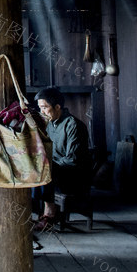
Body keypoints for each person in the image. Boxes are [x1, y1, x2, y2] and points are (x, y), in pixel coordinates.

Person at [33, 87, 91, 231]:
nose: (42, 112)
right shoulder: (50, 124)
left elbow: (73, 160)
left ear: (57, 107)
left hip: (73, 174)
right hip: (58, 170)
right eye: (40, 108)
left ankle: (50, 214)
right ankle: (38, 211)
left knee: (46, 170)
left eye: (45, 108)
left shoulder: (73, 125)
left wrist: (51, 165)